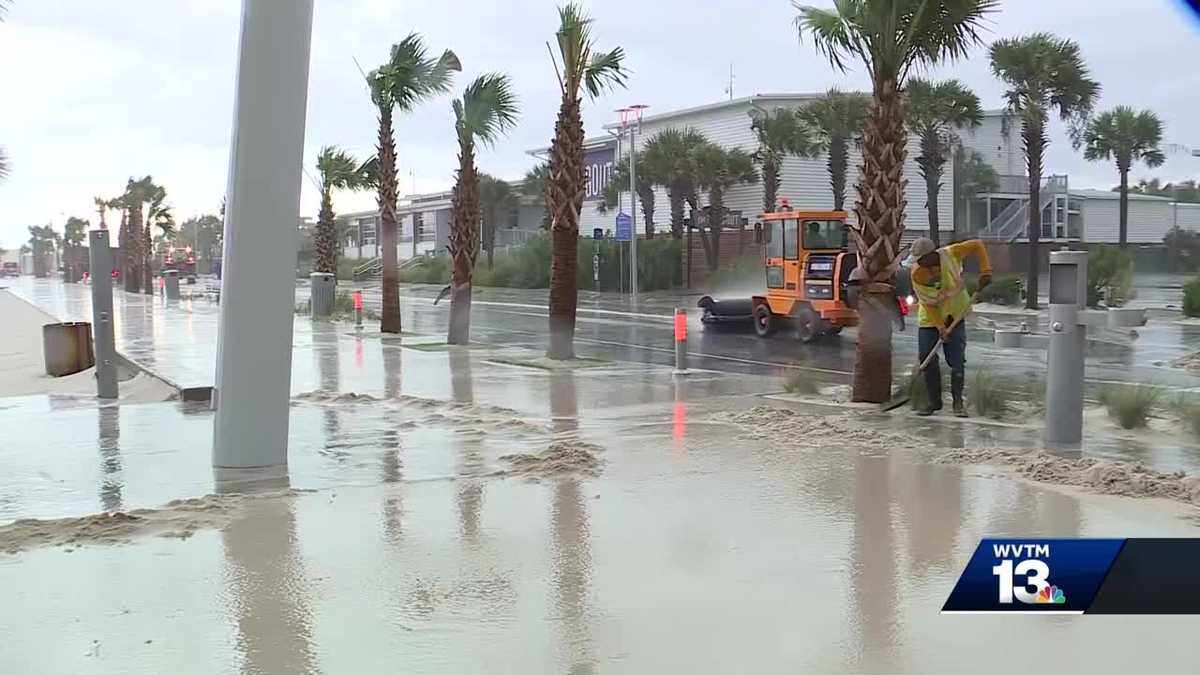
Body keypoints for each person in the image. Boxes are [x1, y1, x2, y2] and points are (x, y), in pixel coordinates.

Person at [909, 237, 992, 417]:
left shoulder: (951, 253)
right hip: (930, 319)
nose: (921, 262)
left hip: (956, 313)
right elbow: (928, 304)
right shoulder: (917, 274)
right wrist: (940, 327)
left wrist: (986, 270)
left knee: (956, 361)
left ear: (933, 253)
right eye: (918, 260)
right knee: (926, 357)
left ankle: (957, 403)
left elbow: (978, 244)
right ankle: (934, 402)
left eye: (924, 258)